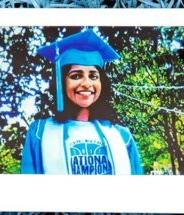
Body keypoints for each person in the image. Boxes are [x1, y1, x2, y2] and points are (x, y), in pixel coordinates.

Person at [21, 29, 144, 175]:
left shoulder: (122, 136)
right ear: (61, 83)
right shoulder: (39, 133)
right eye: (76, 76)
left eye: (93, 76)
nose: (87, 83)